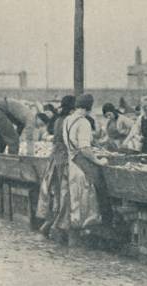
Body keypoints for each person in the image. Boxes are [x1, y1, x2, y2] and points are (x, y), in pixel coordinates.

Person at [62, 94, 108, 246]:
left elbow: (71, 143)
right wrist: (98, 161)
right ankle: (93, 231)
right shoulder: (84, 122)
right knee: (89, 197)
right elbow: (84, 148)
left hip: (72, 163)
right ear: (89, 107)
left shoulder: (67, 120)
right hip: (82, 166)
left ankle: (75, 233)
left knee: (76, 199)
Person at [37, 95, 76, 240]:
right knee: (64, 194)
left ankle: (50, 226)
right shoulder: (67, 121)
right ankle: (56, 227)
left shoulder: (58, 119)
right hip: (63, 159)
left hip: (55, 158)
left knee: (57, 193)